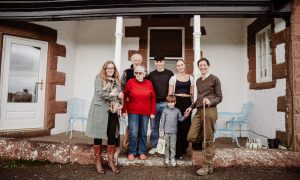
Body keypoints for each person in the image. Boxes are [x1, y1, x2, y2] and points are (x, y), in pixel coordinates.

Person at [185, 58, 222, 176]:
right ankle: (209, 141)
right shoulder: (198, 81)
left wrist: (210, 101)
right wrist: (191, 106)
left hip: (210, 110)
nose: (202, 67)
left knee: (207, 138)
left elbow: (219, 97)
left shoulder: (214, 79)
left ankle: (207, 166)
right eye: (200, 65)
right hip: (200, 110)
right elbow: (199, 98)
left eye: (204, 65)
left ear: (208, 65)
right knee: (191, 135)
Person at [85, 61, 123, 174]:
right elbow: (101, 93)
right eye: (108, 68)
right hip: (99, 109)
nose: (110, 70)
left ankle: (110, 161)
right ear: (104, 69)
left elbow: (119, 95)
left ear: (114, 70)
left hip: (112, 109)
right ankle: (98, 161)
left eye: (112, 68)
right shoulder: (99, 78)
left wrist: (118, 103)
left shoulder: (117, 81)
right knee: (98, 134)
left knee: (112, 134)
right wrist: (116, 94)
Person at [122, 66, 156, 161]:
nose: (138, 74)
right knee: (133, 132)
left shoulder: (149, 83)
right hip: (133, 112)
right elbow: (124, 96)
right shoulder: (130, 82)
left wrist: (153, 112)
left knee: (143, 132)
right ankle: (132, 152)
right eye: (136, 73)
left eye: (140, 73)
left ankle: (141, 151)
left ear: (144, 74)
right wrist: (124, 110)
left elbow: (153, 98)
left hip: (146, 112)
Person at [148, 55, 174, 154]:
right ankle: (154, 146)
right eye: (157, 61)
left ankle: (165, 147)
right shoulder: (151, 75)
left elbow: (172, 88)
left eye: (161, 61)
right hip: (154, 104)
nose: (159, 63)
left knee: (167, 126)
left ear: (164, 62)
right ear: (155, 63)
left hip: (165, 104)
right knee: (154, 127)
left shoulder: (169, 73)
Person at [168, 59, 194, 158]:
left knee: (186, 126)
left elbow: (192, 94)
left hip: (187, 103)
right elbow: (170, 94)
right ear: (176, 67)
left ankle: (184, 148)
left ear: (184, 65)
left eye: (181, 65)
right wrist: (170, 105)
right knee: (177, 126)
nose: (180, 67)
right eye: (178, 65)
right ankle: (176, 151)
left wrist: (192, 106)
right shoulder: (173, 78)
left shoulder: (191, 78)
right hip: (177, 102)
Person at [120, 53, 143, 151]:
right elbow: (122, 86)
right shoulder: (127, 72)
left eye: (139, 60)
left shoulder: (143, 72)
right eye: (135, 60)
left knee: (140, 125)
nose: (137, 62)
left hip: (142, 102)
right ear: (132, 61)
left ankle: (138, 145)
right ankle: (127, 145)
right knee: (132, 125)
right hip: (130, 102)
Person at [159, 95, 188, 166]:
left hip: (174, 132)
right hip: (166, 132)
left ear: (175, 102)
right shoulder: (165, 111)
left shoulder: (177, 111)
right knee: (167, 146)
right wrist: (161, 131)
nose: (170, 104)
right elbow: (162, 121)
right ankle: (166, 158)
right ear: (166, 103)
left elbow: (180, 119)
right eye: (169, 102)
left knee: (172, 146)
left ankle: (172, 158)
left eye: (172, 102)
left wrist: (185, 116)